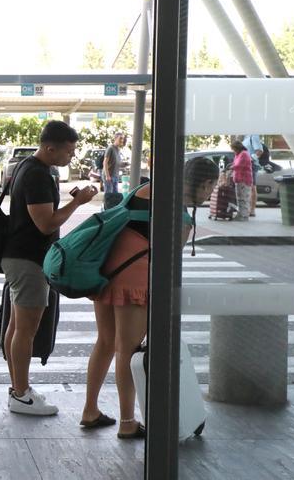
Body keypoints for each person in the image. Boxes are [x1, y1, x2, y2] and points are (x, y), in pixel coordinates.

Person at [81, 157, 219, 439]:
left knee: (106, 342)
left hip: (106, 269)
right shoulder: (178, 211)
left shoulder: (146, 189)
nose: (210, 194)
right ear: (205, 183)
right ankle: (127, 422)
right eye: (212, 187)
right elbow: (168, 263)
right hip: (133, 281)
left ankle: (90, 410)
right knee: (127, 349)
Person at [1, 120, 97, 415]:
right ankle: (20, 394)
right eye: (68, 152)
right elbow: (46, 224)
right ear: (50, 147)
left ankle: (20, 389)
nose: (71, 157)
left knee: (17, 327)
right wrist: (78, 203)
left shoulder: (26, 167)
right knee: (25, 330)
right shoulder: (38, 175)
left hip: (20, 256)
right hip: (29, 259)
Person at [231, 140, 254, 221]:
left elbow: (239, 165)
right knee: (240, 198)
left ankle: (244, 215)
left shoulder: (244, 154)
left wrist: (232, 167)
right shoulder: (238, 154)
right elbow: (235, 164)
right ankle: (240, 214)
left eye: (233, 149)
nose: (233, 151)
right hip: (238, 179)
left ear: (237, 148)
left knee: (244, 198)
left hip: (244, 179)